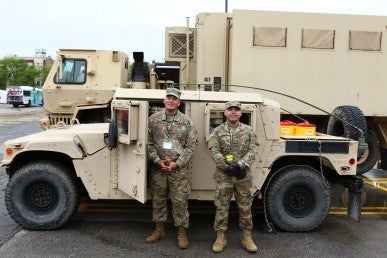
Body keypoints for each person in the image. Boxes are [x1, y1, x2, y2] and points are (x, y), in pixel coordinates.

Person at [146, 88, 198, 249]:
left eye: (174, 99)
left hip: (179, 171)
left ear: (178, 102)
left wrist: (178, 163)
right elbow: (148, 143)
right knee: (158, 200)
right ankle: (159, 230)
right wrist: (157, 160)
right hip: (159, 169)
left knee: (180, 202)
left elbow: (191, 145)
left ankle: (182, 233)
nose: (171, 101)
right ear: (164, 100)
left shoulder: (186, 121)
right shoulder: (153, 119)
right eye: (168, 97)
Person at [208, 100, 260, 253]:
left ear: (240, 113)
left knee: (245, 207)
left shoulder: (249, 131)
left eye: (236, 109)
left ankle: (247, 237)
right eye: (230, 109)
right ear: (225, 112)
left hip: (243, 175)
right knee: (222, 206)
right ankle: (220, 237)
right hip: (224, 175)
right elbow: (214, 151)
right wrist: (226, 166)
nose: (233, 112)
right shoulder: (217, 131)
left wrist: (240, 165)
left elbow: (253, 150)